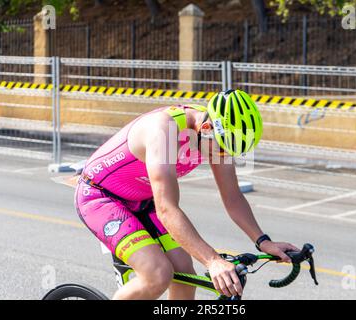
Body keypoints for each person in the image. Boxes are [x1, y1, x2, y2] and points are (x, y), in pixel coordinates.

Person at [75, 89, 299, 299]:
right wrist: (212, 261)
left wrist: (263, 242)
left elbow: (232, 197)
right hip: (101, 196)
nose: (223, 156)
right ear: (207, 128)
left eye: (230, 152)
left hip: (142, 198)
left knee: (185, 276)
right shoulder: (164, 130)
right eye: (222, 148)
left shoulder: (217, 138)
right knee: (157, 274)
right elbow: (166, 208)